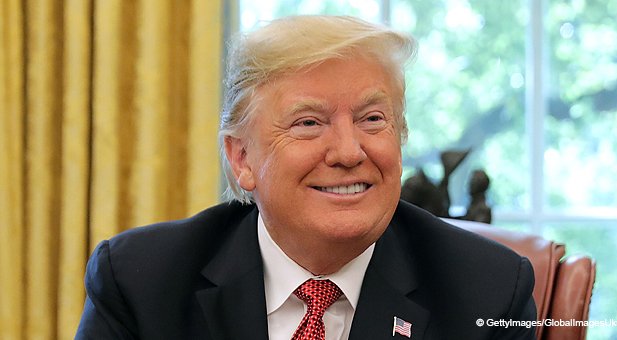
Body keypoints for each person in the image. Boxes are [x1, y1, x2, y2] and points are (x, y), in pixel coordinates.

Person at [76, 15, 536, 339]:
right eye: (308, 123)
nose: (349, 152)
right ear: (242, 159)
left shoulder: (486, 292)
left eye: (373, 119)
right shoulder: (142, 281)